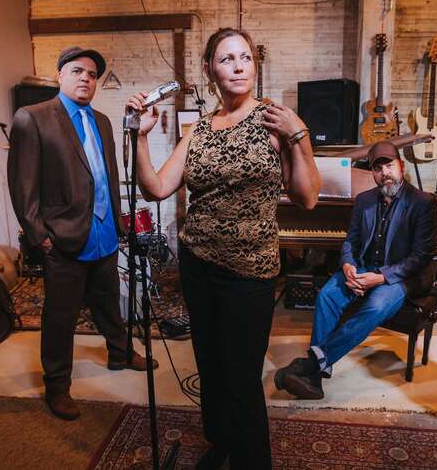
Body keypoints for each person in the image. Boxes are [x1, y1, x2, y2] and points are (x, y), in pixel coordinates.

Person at [128, 27, 321, 469]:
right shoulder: (199, 130)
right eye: (226, 58)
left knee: (241, 377)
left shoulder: (274, 120)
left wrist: (299, 135)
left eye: (245, 57)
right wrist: (140, 137)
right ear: (209, 69)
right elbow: (156, 187)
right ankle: (221, 442)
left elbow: (308, 197)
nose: (238, 66)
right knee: (211, 366)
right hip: (197, 265)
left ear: (255, 65)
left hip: (249, 272)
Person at [8, 46, 157, 422]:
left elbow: (108, 176)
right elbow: (22, 186)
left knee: (109, 301)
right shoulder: (33, 118)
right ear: (60, 75)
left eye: (92, 74)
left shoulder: (103, 121)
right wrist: (39, 235)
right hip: (63, 237)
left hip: (104, 232)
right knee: (61, 317)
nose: (85, 79)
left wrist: (119, 223)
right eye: (77, 71)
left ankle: (120, 353)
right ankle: (57, 385)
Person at [273, 142, 437, 399]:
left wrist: (379, 278)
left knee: (375, 307)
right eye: (378, 169)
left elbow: (420, 257)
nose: (385, 173)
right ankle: (315, 381)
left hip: (397, 277)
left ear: (401, 166)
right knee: (327, 296)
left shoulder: (422, 202)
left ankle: (311, 365)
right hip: (361, 268)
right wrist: (348, 264)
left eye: (389, 166)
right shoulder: (364, 200)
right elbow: (351, 241)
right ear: (373, 173)